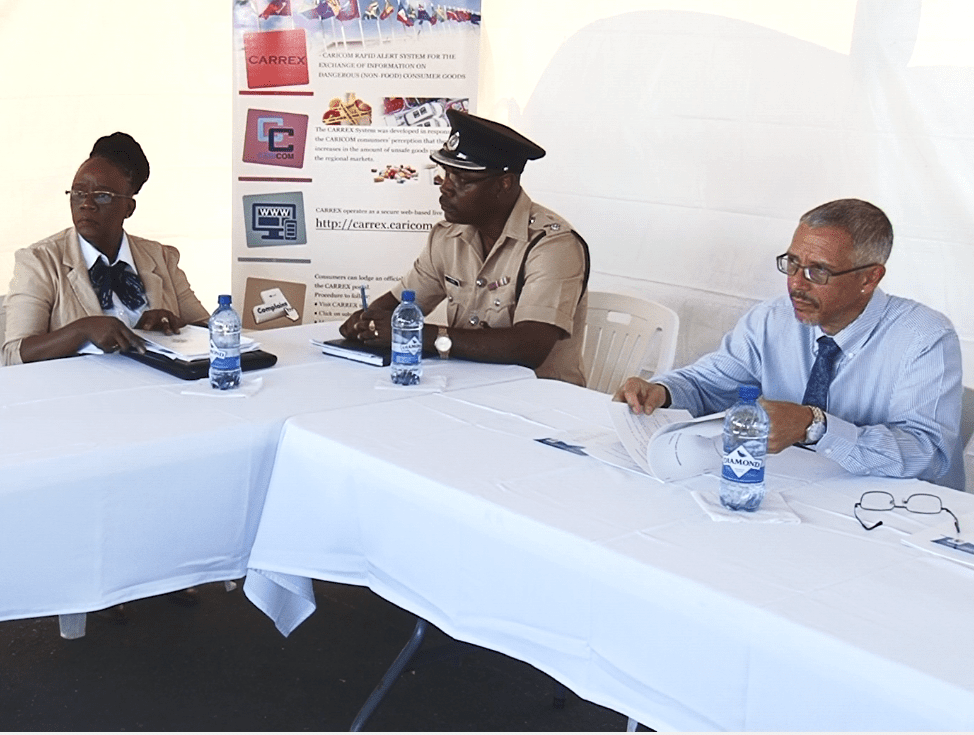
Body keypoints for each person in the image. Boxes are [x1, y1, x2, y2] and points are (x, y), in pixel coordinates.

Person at [615, 199, 963, 489]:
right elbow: (711, 384)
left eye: (818, 271)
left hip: (892, 513)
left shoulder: (924, 338)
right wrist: (663, 390)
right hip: (795, 491)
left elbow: (929, 455)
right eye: (792, 263)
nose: (796, 284)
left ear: (869, 277)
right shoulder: (771, 319)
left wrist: (815, 426)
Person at [339, 109, 590, 385]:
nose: (445, 188)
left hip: (541, 404)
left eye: (462, 180)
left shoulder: (553, 246)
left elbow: (528, 347)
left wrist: (423, 336)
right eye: (446, 174)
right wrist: (367, 323)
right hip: (465, 391)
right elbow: (397, 306)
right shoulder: (448, 237)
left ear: (503, 184)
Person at [2, 132, 210, 365]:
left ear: (128, 208)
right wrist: (81, 330)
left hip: (156, 385)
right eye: (79, 193)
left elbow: (207, 328)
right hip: (76, 393)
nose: (86, 204)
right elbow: (15, 353)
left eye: (102, 196)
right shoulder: (40, 261)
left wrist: (172, 323)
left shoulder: (160, 257)